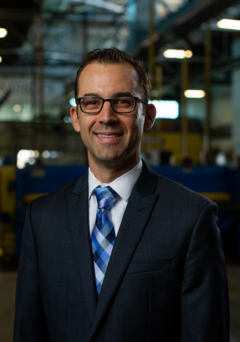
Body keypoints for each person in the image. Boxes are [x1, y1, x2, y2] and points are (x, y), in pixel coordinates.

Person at [14, 48, 229, 342]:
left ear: (148, 115)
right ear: (76, 117)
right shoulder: (42, 218)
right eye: (92, 102)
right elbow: (28, 330)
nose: (106, 117)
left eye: (123, 102)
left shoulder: (192, 217)